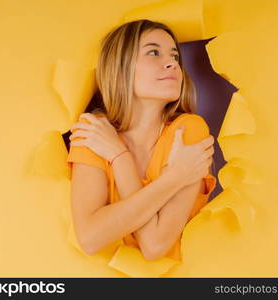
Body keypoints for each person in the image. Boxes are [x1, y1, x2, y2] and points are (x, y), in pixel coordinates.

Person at [67, 19, 216, 261]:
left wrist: (118, 157)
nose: (172, 64)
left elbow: (155, 246)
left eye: (175, 56)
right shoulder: (93, 133)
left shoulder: (188, 130)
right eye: (154, 52)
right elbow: (90, 238)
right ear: (120, 67)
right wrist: (176, 177)